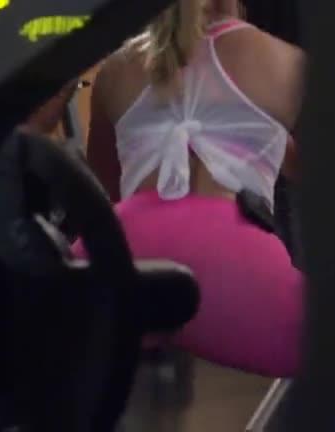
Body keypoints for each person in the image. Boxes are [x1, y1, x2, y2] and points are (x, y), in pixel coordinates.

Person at [74, 0, 305, 377]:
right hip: (228, 258)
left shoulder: (115, 71)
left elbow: (103, 185)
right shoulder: (286, 63)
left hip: (123, 256)